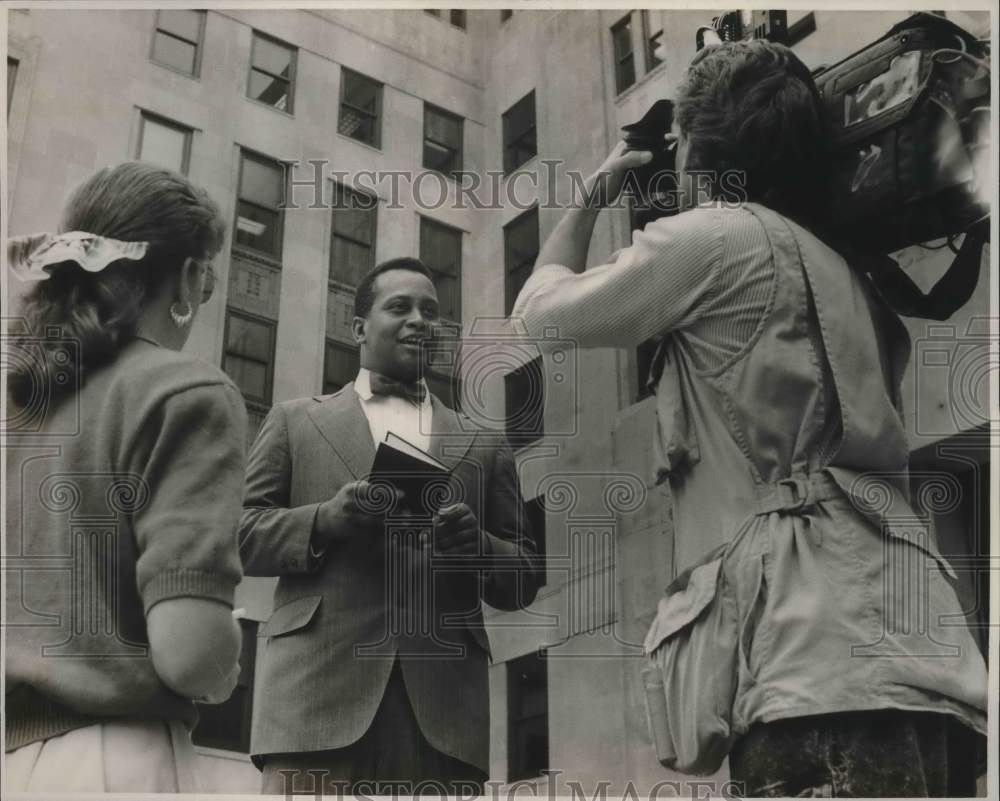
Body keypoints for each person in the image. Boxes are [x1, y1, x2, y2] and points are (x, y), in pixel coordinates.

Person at [510, 41, 987, 797]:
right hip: (924, 658)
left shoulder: (717, 238)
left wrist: (599, 188)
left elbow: (537, 315)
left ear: (699, 148)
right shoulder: (851, 275)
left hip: (806, 667)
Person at [239, 257, 542, 796]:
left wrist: (478, 547)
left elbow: (523, 575)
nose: (420, 320)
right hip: (314, 705)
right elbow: (239, 536)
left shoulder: (487, 444)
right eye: (399, 307)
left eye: (431, 310)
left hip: (444, 718)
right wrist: (324, 521)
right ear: (358, 328)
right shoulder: (293, 420)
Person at [4, 162, 246, 793]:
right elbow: (190, 654)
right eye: (209, 275)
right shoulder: (184, 389)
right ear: (190, 277)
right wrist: (225, 665)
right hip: (110, 762)